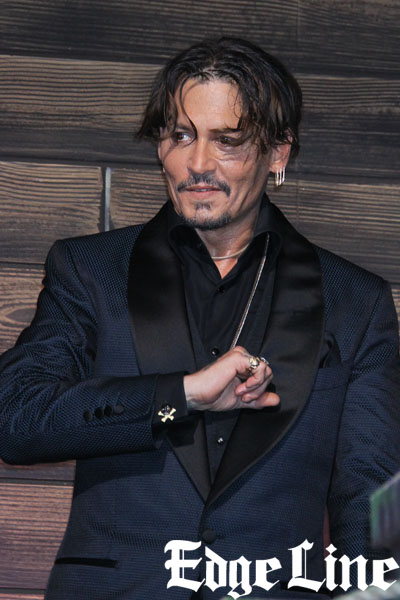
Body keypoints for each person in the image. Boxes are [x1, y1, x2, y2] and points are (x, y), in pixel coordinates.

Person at [0, 37, 399, 600]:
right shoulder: (89, 270)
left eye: (227, 141)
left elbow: (373, 507)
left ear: (278, 153)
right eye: (181, 135)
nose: (198, 164)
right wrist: (181, 396)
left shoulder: (356, 300)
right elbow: (16, 419)